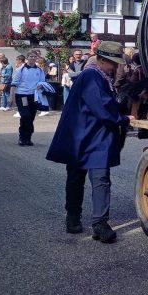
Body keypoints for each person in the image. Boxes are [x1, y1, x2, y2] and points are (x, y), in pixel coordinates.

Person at [46, 41, 131, 243]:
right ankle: (81, 219)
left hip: (86, 136)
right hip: (87, 136)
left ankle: (92, 222)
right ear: (100, 60)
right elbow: (102, 107)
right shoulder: (92, 75)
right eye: (112, 63)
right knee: (88, 179)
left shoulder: (97, 75)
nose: (115, 67)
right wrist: (124, 119)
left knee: (92, 179)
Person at [10, 51, 46, 146]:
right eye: (31, 56)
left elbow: (42, 82)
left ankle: (28, 138)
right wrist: (11, 97)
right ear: (27, 58)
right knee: (25, 116)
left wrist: (41, 86)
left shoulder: (39, 70)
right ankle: (22, 137)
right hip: (22, 95)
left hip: (33, 96)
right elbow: (14, 83)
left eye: (35, 56)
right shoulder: (21, 69)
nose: (33, 58)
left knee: (31, 117)